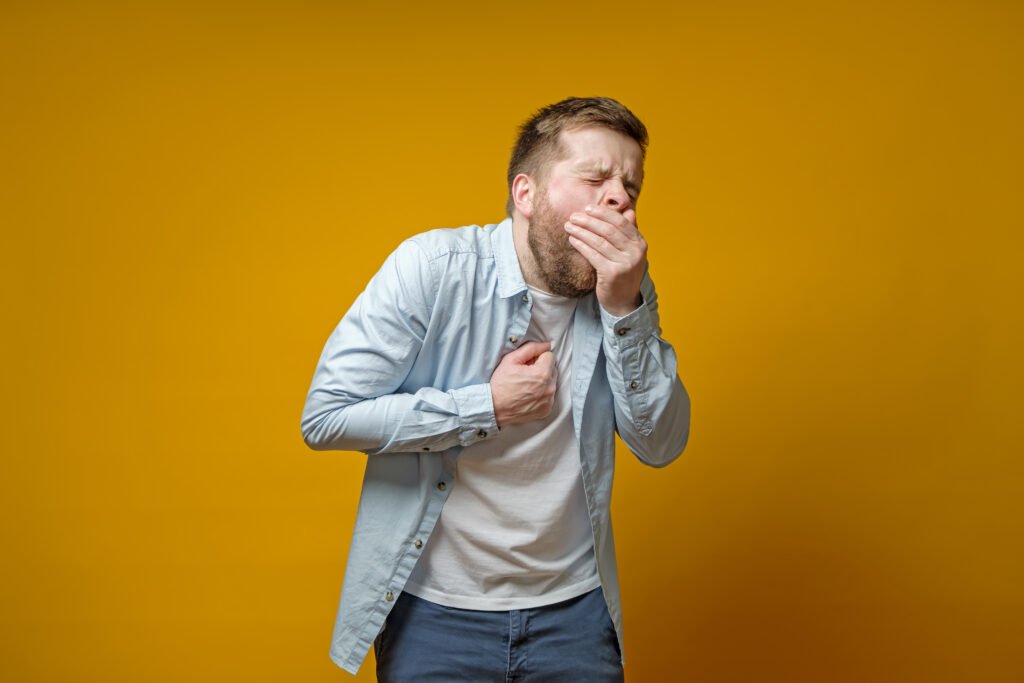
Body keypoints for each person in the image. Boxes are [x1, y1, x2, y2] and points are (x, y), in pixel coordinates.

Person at [300, 96, 691, 681]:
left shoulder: (624, 290)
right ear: (525, 194)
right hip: (434, 615)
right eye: (594, 178)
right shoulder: (433, 268)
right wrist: (486, 406)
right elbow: (326, 417)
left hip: (576, 617)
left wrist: (624, 309)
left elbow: (661, 444)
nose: (619, 198)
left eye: (630, 187)